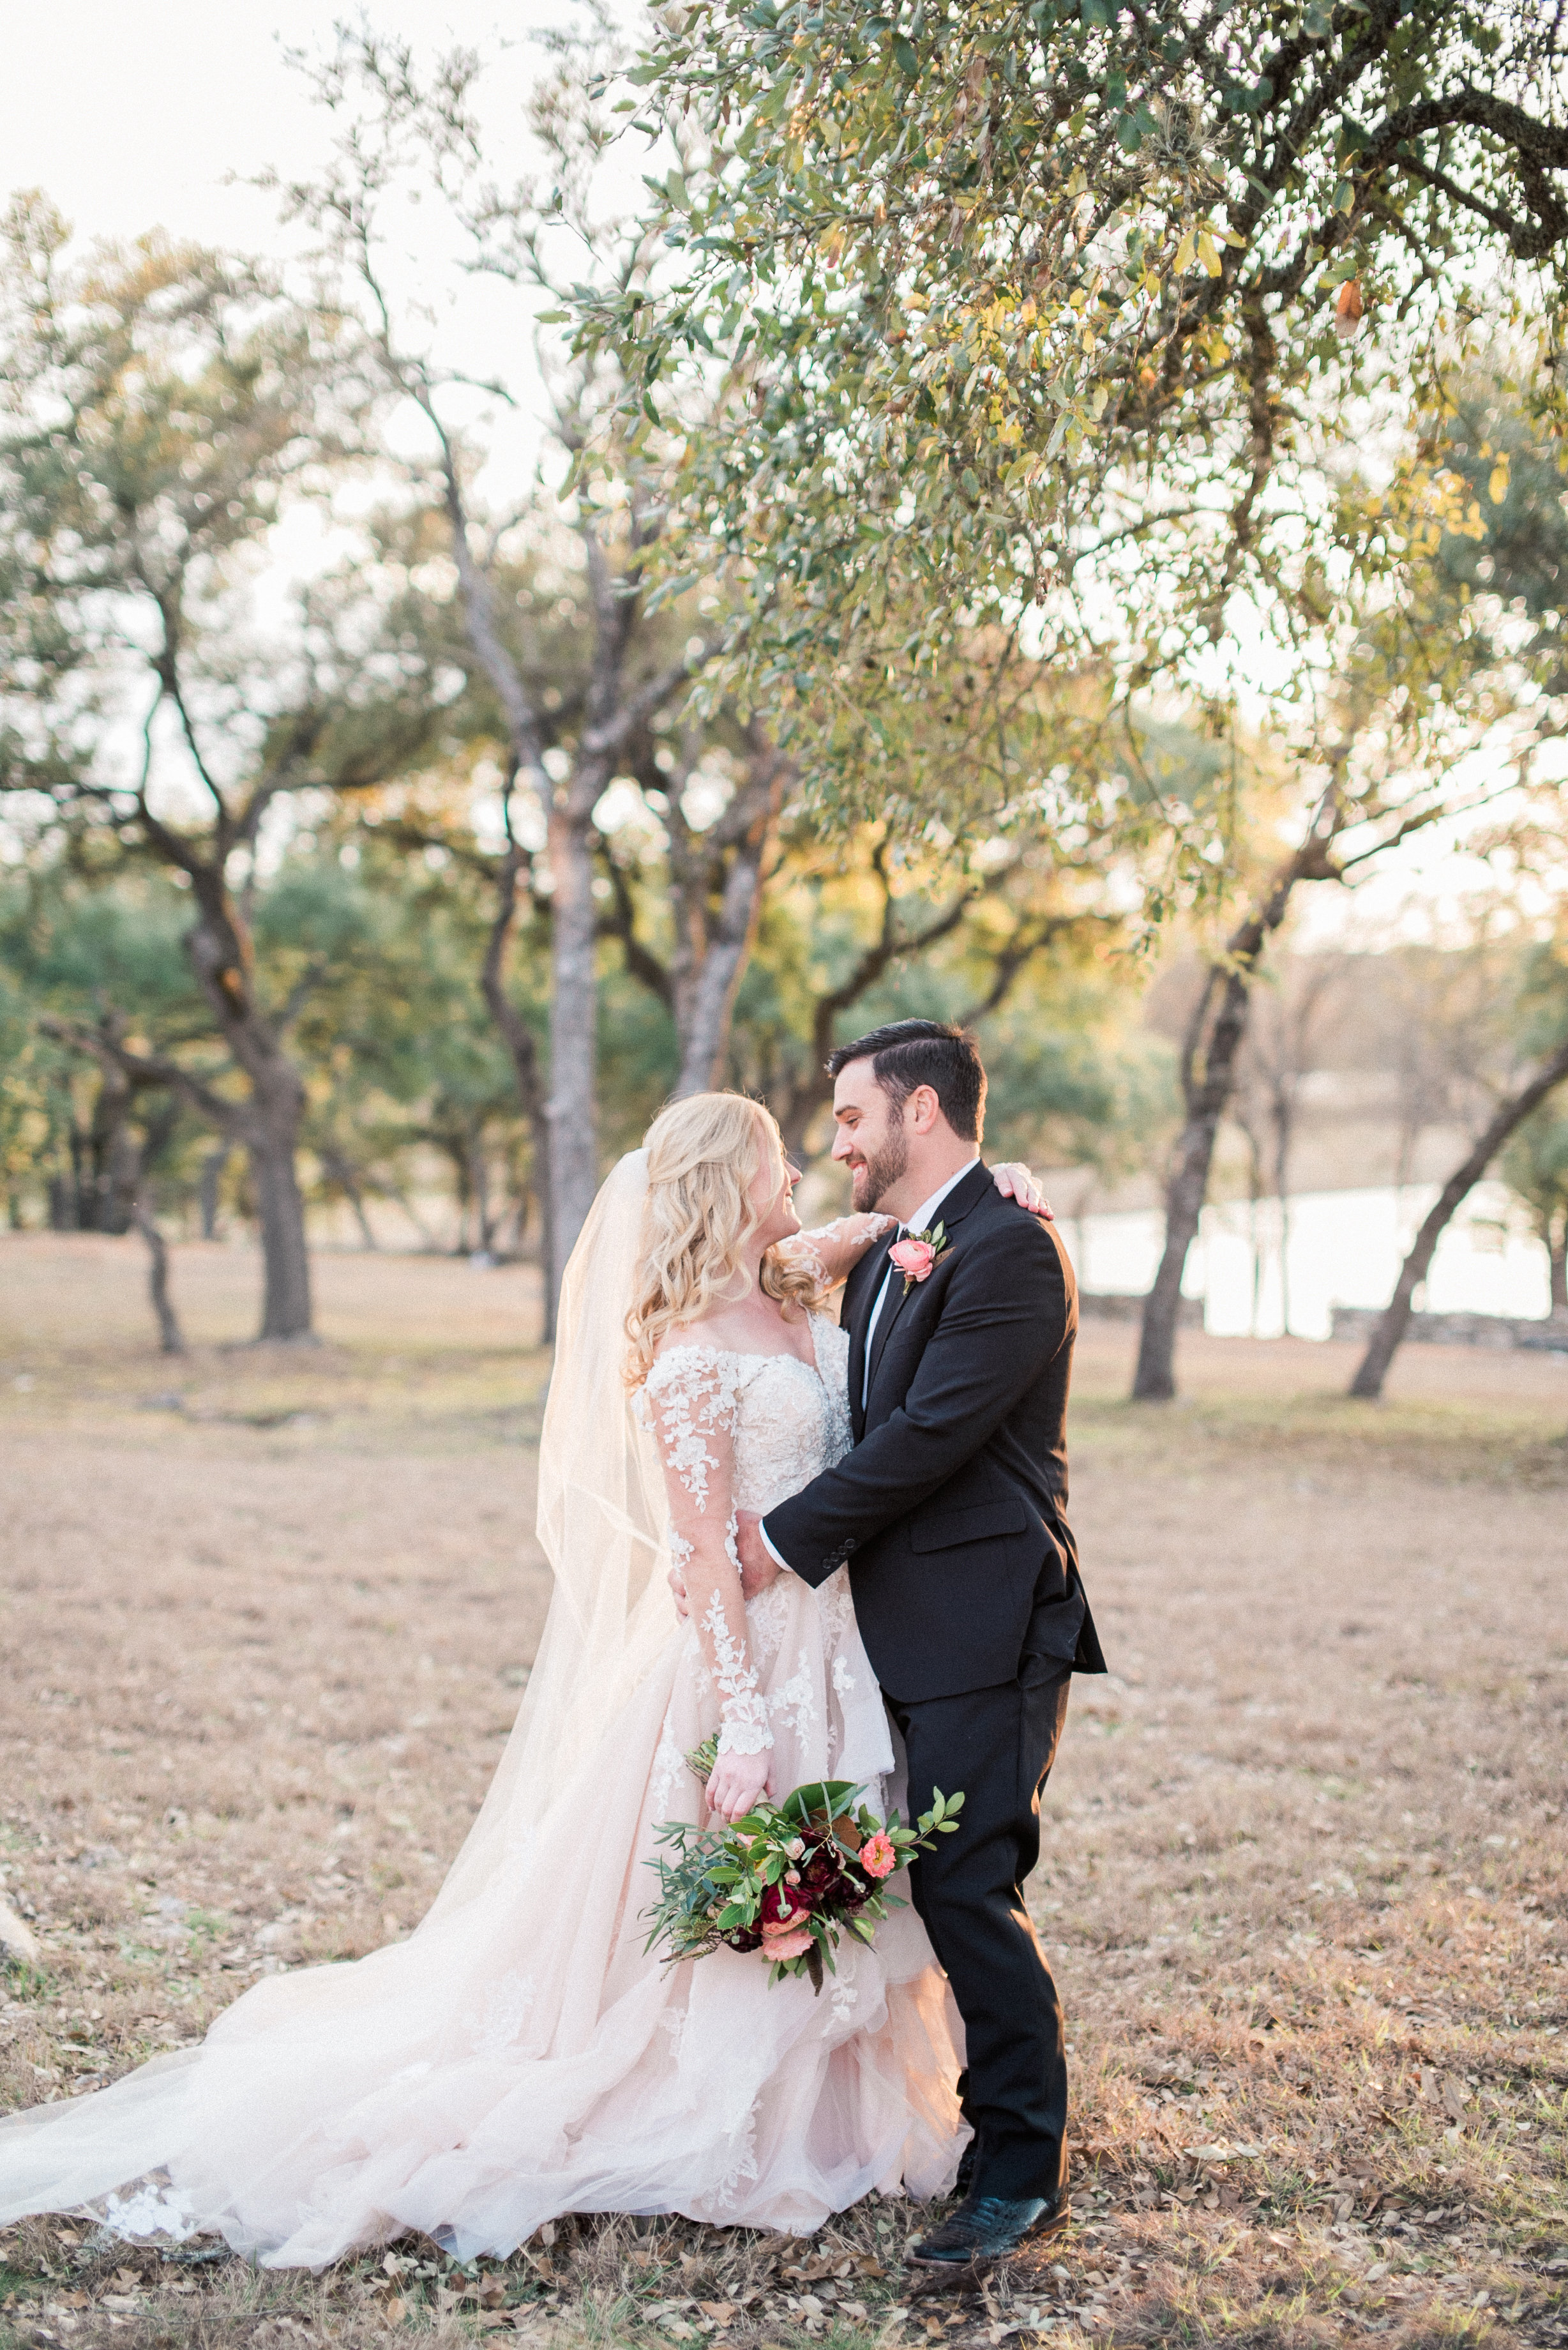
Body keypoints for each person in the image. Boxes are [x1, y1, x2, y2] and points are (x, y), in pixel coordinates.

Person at [0, 1089, 1053, 2265]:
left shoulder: (791, 1281)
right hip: (747, 1668)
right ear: (728, 1182)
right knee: (747, 1887)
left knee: (855, 1861)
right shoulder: (689, 1358)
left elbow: (899, 1224)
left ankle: (837, 2107)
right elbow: (700, 1553)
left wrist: (992, 1184)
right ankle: (737, 2119)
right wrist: (746, 1728)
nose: (803, 1174)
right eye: (778, 1160)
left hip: (845, 1648)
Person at [727, 1020, 1106, 2268]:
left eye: (849, 1118)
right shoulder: (897, 1246)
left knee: (964, 1881)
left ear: (921, 1111)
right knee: (908, 1875)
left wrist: (777, 1542)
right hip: (893, 1626)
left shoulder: (1010, 1248)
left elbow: (929, 1436)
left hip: (987, 1620)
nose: (835, 1142)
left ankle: (1018, 2168)